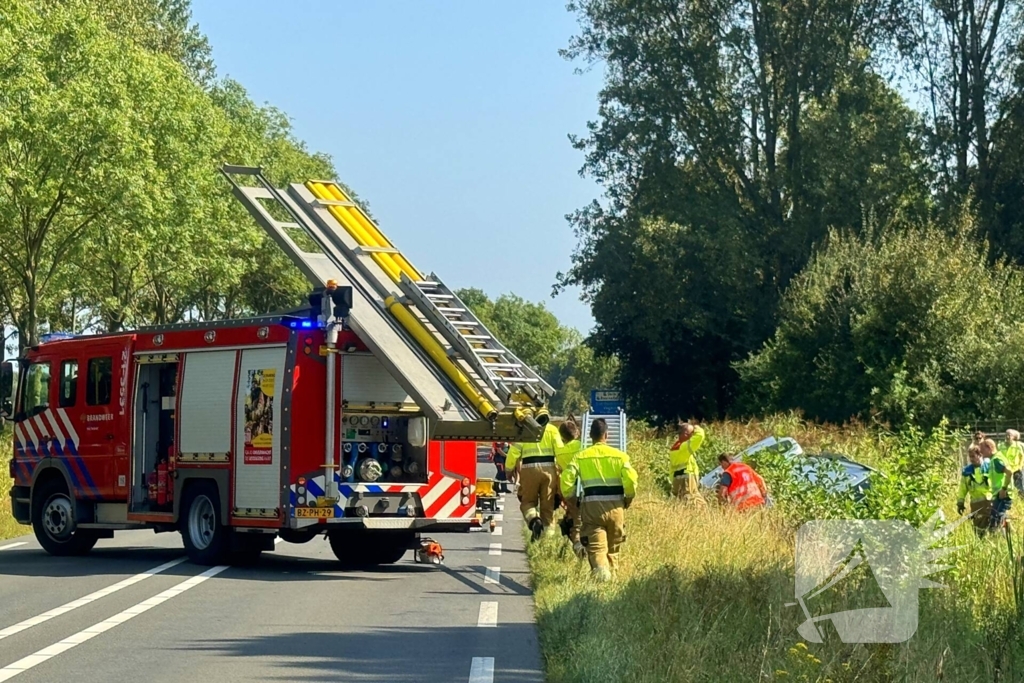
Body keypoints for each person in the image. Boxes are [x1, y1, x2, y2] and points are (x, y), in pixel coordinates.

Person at [560, 418, 638, 582]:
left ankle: (603, 577)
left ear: (590, 436)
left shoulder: (581, 457)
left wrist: (571, 498)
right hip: (616, 507)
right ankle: (612, 583)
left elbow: (566, 479)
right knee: (614, 549)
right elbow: (631, 480)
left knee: (596, 549)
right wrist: (628, 498)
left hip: (592, 508)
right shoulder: (620, 456)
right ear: (607, 435)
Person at [506, 408, 564, 541]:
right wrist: (562, 470)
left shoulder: (525, 429)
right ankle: (547, 542)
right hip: (549, 469)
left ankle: (534, 520)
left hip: (529, 468)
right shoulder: (552, 430)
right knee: (547, 508)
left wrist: (508, 470)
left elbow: (514, 451)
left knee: (527, 503)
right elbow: (560, 452)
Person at [555, 419, 584, 556]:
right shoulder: (584, 446)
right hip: (587, 488)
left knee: (575, 522)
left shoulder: (560, 453)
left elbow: (560, 471)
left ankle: (578, 546)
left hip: (570, 491)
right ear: (577, 433)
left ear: (562, 437)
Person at [956, 444, 991, 537]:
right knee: (978, 527)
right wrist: (960, 503)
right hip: (976, 505)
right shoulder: (967, 471)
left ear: (980, 455)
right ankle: (980, 545)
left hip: (990, 502)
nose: (971, 459)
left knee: (993, 524)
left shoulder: (989, 467)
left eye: (973, 456)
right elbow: (963, 488)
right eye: (969, 456)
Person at [983, 438, 1013, 532]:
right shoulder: (995, 458)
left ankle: (999, 538)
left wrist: (1003, 489)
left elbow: (1009, 472)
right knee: (1000, 516)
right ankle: (1010, 534)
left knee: (996, 517)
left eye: (983, 450)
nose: (982, 453)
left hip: (1003, 494)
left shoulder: (996, 460)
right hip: (999, 494)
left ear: (989, 448)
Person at [670, 422, 704, 502]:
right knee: (694, 502)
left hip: (677, 479)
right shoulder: (684, 447)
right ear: (686, 434)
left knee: (682, 502)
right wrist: (696, 427)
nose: (692, 435)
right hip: (687, 478)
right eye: (691, 433)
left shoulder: (675, 447)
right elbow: (700, 436)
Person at [1001, 429, 1024, 495]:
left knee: (1020, 488)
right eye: (1006, 435)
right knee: (1007, 488)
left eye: (1009, 435)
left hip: (1017, 470)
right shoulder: (1001, 445)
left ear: (1014, 436)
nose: (1007, 436)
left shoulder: (1020, 445)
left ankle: (1021, 501)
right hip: (1006, 470)